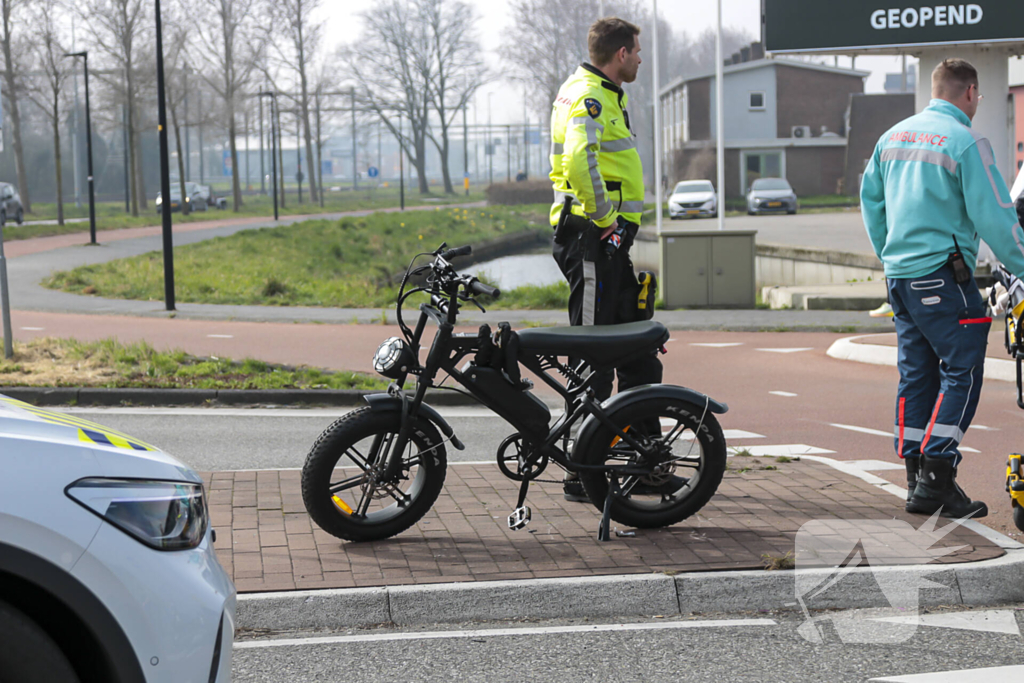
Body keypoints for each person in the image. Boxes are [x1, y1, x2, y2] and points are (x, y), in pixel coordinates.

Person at [861, 58, 1024, 518]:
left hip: (900, 277)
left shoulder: (891, 137)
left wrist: (892, 254)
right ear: (970, 92)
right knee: (963, 372)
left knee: (917, 375)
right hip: (943, 278)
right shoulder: (966, 142)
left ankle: (917, 479)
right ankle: (937, 476)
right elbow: (997, 217)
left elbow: (871, 204)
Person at [548, 17, 662, 501]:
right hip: (592, 241)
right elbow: (578, 160)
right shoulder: (588, 96)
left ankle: (647, 457)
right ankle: (581, 468)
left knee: (635, 351)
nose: (639, 59)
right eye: (636, 51)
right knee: (592, 355)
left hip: (610, 245)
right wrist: (606, 221)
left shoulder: (605, 94)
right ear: (619, 53)